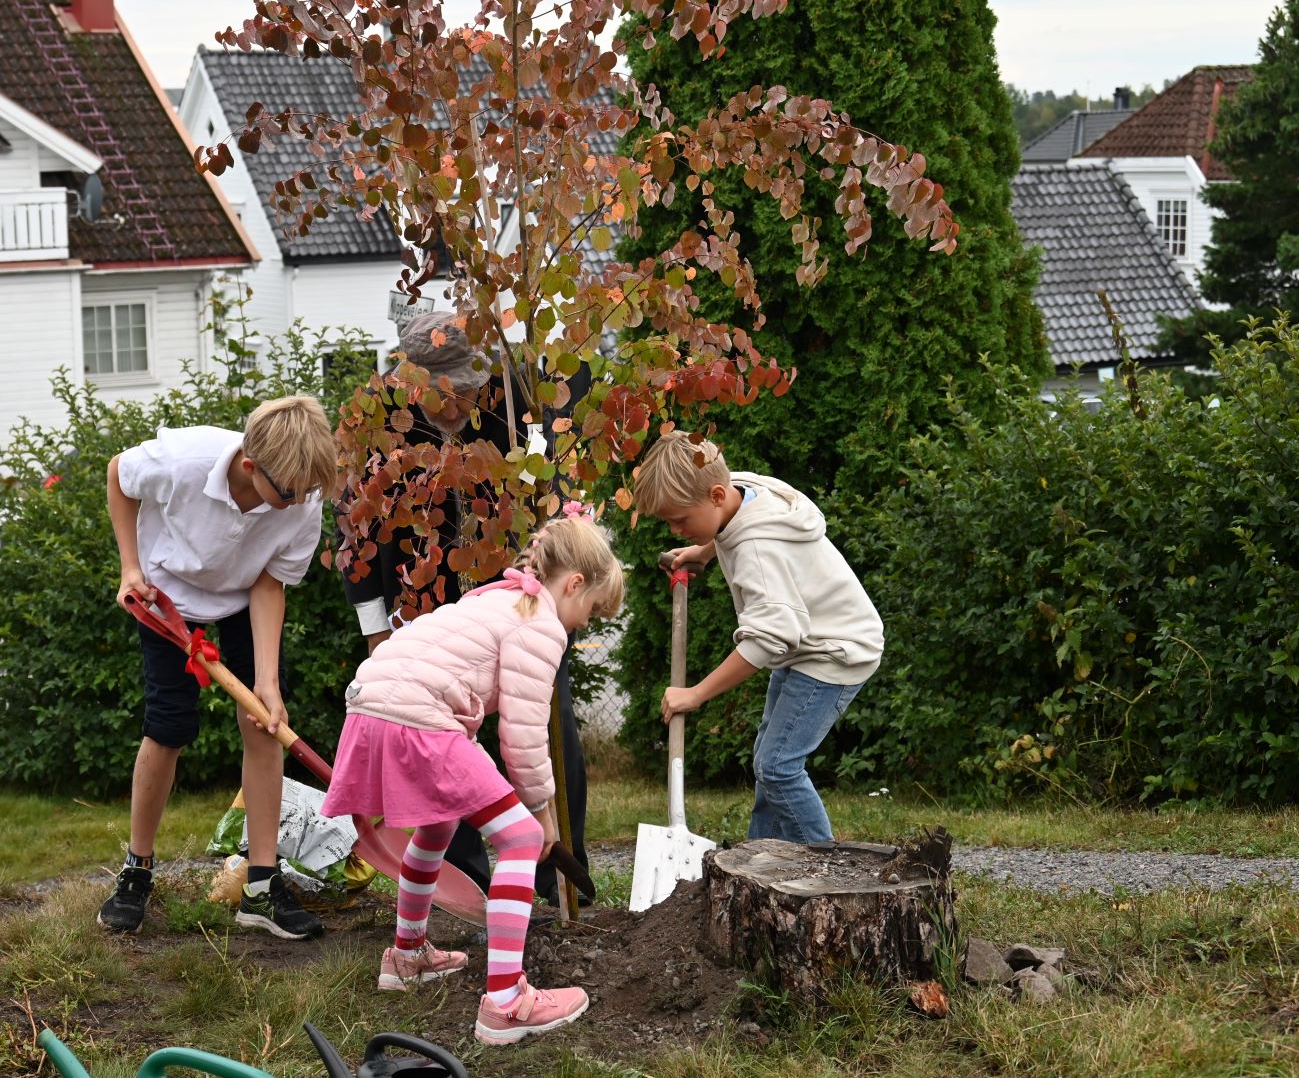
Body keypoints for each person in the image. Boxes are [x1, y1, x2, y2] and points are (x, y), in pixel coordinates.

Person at [320, 516, 626, 1044]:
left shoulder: (494, 599)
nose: (582, 626)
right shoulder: (541, 623)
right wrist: (542, 813)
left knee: (436, 827)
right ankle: (507, 1002)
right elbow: (524, 735)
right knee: (522, 839)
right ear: (574, 583)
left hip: (369, 706)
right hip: (417, 717)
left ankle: (408, 955)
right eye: (592, 612)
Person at [338, 311, 595, 906]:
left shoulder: (513, 401)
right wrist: (377, 629)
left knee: (549, 726)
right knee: (444, 753)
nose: (458, 407)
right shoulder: (381, 421)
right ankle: (475, 891)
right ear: (412, 381)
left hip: (515, 596)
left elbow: (552, 495)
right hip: (423, 609)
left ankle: (554, 882)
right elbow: (353, 533)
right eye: (445, 394)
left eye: (469, 391)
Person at [97, 396, 340, 939]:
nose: (302, 502)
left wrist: (268, 684)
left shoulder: (300, 495)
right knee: (169, 725)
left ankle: (262, 881)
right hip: (167, 600)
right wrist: (130, 567)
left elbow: (269, 582)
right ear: (252, 467)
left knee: (264, 724)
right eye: (292, 492)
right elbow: (118, 473)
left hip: (244, 596)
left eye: (308, 492)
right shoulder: (182, 460)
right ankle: (136, 871)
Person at [633, 432, 883, 844]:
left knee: (778, 765)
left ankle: (824, 870)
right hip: (810, 642)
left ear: (715, 494)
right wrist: (705, 549)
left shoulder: (757, 551)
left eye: (679, 519)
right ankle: (756, 860)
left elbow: (767, 641)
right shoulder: (745, 488)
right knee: (770, 758)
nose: (675, 528)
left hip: (834, 652)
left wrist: (696, 693)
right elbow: (736, 519)